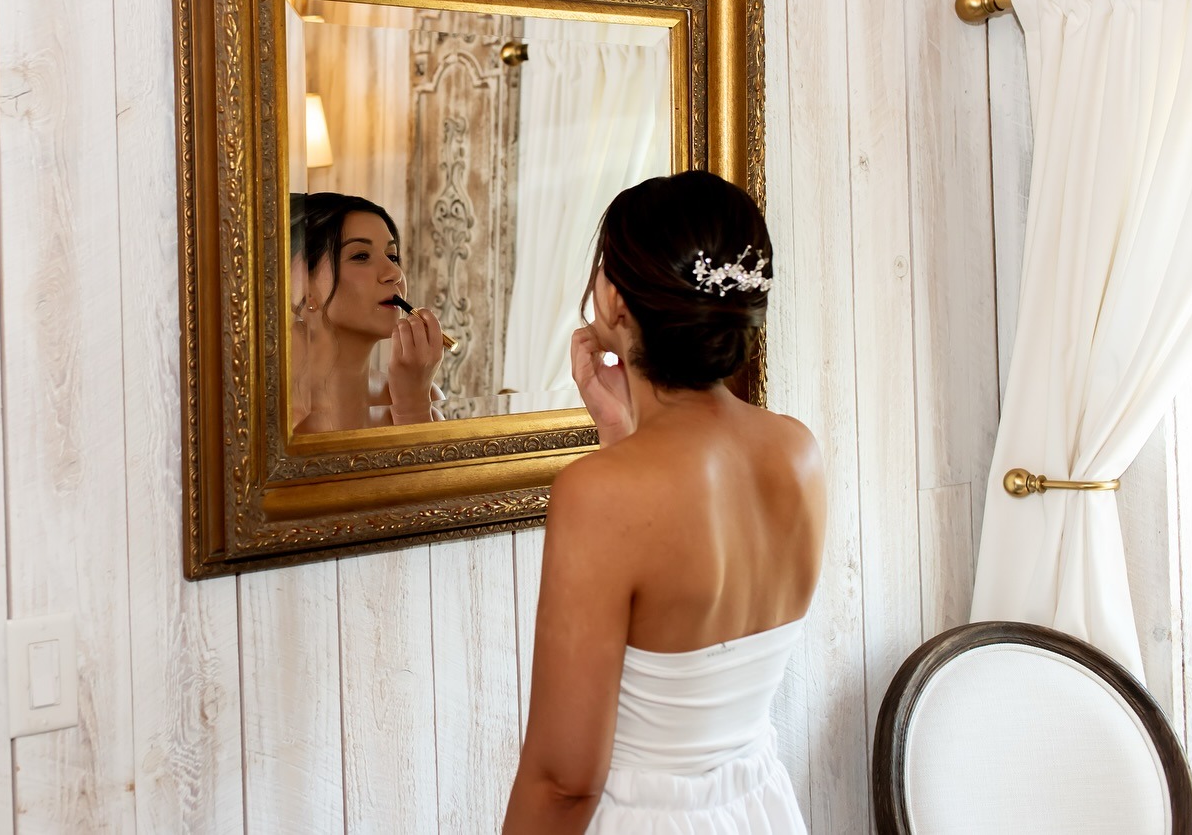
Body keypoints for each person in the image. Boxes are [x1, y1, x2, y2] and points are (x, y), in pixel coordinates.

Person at [503, 170, 826, 835]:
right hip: (759, 806)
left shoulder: (601, 494)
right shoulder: (797, 451)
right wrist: (621, 432)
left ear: (616, 301)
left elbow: (565, 782)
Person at [290, 191, 444, 433]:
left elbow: (443, 472)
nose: (394, 273)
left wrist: (413, 407)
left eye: (392, 256)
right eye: (361, 256)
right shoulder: (284, 410)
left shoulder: (422, 392)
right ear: (302, 287)